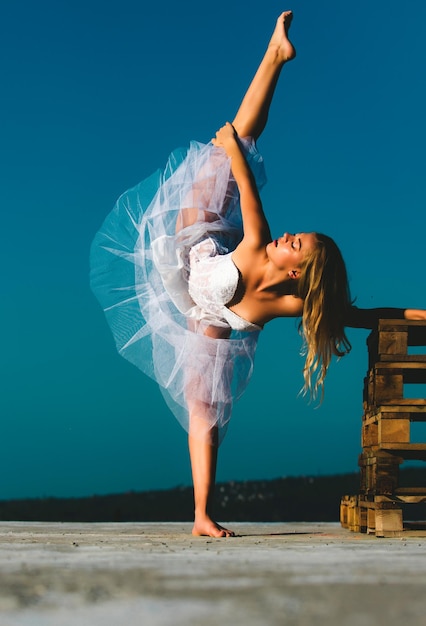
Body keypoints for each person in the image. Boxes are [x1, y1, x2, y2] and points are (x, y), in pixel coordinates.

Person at [91, 11, 426, 537]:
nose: (287, 236)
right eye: (297, 234)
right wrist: (228, 147)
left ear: (298, 273)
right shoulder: (260, 253)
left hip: (213, 319)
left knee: (205, 413)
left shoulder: (277, 274)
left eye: (297, 244)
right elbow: (239, 182)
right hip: (193, 248)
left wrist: (415, 315)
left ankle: (201, 513)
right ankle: (275, 57)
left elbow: (358, 313)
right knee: (231, 147)